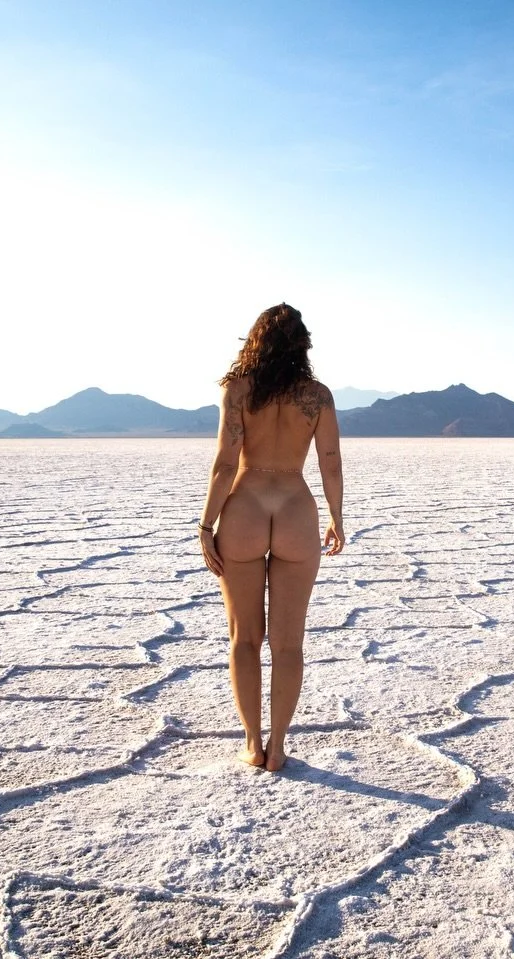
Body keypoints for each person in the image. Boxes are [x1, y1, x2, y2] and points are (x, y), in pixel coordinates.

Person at [197, 303, 344, 772]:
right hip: (296, 509)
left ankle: (251, 743)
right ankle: (278, 747)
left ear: (255, 339)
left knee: (244, 639)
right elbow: (331, 462)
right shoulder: (317, 396)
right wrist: (337, 518)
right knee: (288, 642)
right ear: (303, 344)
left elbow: (225, 462)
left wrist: (206, 525)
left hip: (245, 509)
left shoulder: (239, 389)